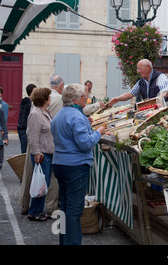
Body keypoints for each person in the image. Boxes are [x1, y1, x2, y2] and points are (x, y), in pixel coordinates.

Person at [51, 84, 105, 245]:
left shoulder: (60, 114)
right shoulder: (75, 116)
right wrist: (98, 132)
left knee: (65, 208)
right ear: (75, 99)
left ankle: (64, 241)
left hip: (60, 163)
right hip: (75, 165)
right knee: (74, 211)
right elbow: (84, 143)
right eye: (83, 97)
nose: (86, 99)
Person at [27, 87, 54, 222]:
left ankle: (38, 210)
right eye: (49, 97)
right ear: (44, 99)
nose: (51, 99)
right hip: (42, 153)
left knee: (44, 182)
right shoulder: (36, 114)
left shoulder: (45, 112)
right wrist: (36, 152)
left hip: (48, 152)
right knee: (41, 182)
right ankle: (34, 211)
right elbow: (33, 136)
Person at [17, 83, 37, 153]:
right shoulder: (27, 102)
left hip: (23, 128)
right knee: (25, 150)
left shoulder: (26, 102)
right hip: (24, 129)